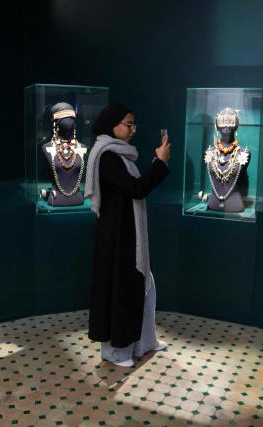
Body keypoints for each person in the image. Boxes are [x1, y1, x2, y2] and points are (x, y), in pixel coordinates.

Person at [85, 103, 171, 367]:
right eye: (128, 124)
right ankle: (117, 351)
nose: (133, 130)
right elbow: (136, 189)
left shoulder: (122, 155)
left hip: (128, 234)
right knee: (120, 290)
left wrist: (158, 162)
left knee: (142, 285)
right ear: (112, 124)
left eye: (135, 124)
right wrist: (160, 163)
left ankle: (143, 342)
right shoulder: (107, 156)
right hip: (117, 237)